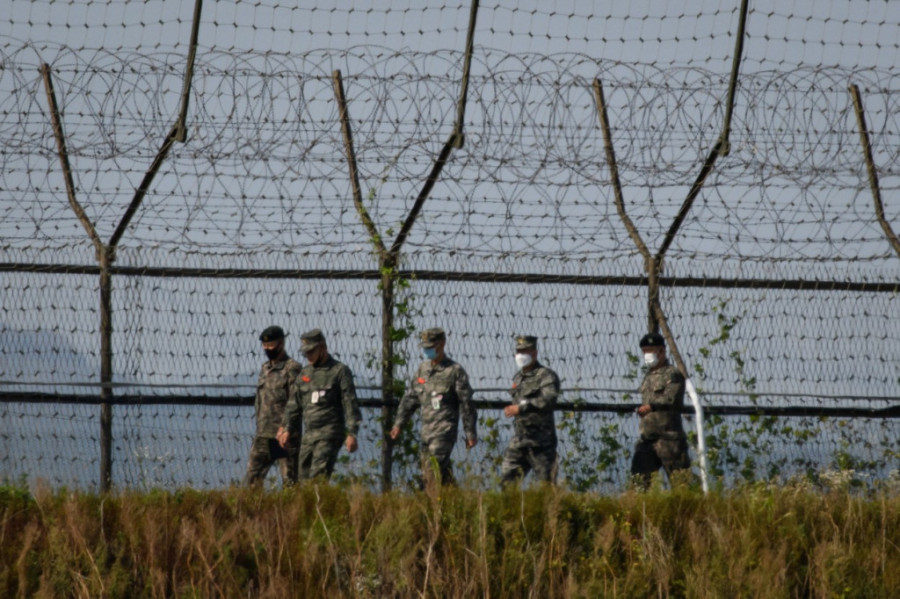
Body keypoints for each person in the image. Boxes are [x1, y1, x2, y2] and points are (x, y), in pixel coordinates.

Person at [389, 328, 477, 486]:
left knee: (430, 475)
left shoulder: (454, 371)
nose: (427, 350)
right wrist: (398, 424)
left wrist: (470, 432)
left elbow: (466, 404)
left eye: (430, 346)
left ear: (442, 344)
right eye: (425, 347)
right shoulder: (423, 370)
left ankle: (426, 501)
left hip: (444, 432)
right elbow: (410, 398)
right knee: (443, 477)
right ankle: (456, 498)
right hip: (426, 433)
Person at [276, 329, 361, 481]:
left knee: (317, 478)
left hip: (329, 434)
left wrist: (352, 433)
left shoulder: (339, 371)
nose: (308, 356)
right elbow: (294, 404)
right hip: (309, 435)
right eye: (305, 353)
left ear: (322, 347)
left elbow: (350, 404)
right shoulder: (305, 374)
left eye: (311, 351)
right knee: (303, 479)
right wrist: (287, 428)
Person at [630, 332, 691, 489]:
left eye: (650, 351)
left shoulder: (672, 374)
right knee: (639, 483)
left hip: (669, 439)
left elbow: (670, 398)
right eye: (644, 351)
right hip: (648, 439)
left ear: (661, 351)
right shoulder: (648, 376)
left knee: (680, 484)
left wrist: (651, 407)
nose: (647, 355)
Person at [243, 325, 302, 487]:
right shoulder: (265, 368)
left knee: (289, 482)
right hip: (264, 433)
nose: (267, 348)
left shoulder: (292, 368)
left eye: (271, 345)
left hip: (284, 436)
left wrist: (287, 428)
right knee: (251, 481)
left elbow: (296, 401)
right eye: (264, 345)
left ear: (281, 343)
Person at [500, 335, 560, 486]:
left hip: (541, 443)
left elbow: (548, 400)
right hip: (520, 440)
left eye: (525, 351)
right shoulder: (518, 378)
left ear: (534, 353)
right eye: (518, 351)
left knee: (547, 486)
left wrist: (521, 408)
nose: (520, 355)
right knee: (507, 482)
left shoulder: (546, 376)